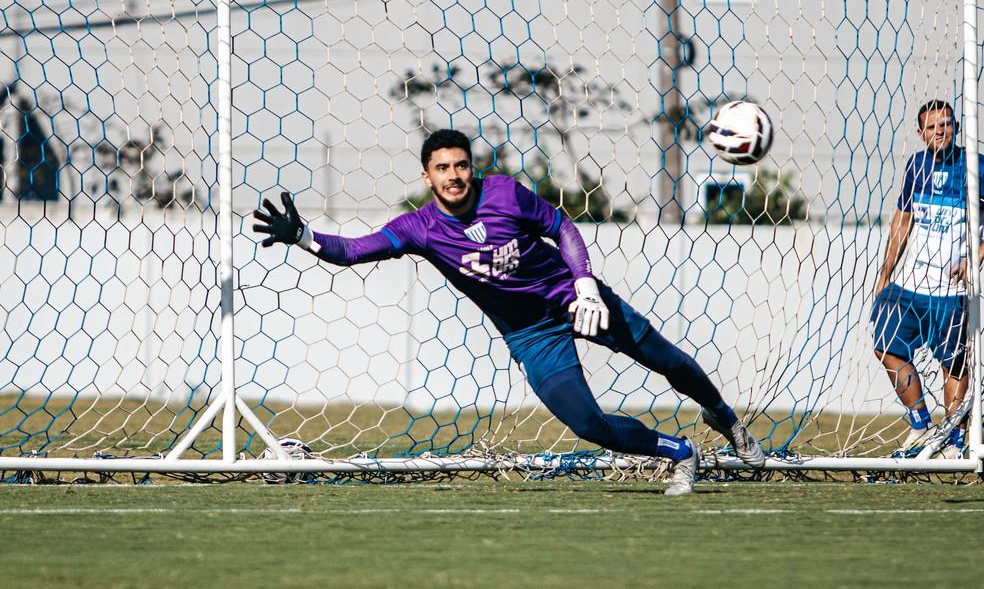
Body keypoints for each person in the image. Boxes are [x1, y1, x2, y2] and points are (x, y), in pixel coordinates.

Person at [253, 129, 765, 495]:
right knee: (587, 423)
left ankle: (726, 421)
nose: (454, 175)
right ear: (427, 176)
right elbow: (353, 250)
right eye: (442, 168)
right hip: (532, 336)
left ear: (471, 168)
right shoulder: (419, 228)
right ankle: (680, 453)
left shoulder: (503, 192)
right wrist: (303, 235)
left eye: (460, 165)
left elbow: (562, 227)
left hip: (577, 299)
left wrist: (585, 285)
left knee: (668, 361)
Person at [871, 99, 981, 459]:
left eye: (946, 124)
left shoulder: (976, 166)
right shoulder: (916, 165)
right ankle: (920, 425)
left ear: (957, 127)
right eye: (932, 127)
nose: (940, 131)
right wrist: (886, 272)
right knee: (886, 346)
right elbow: (903, 218)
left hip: (951, 290)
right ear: (921, 133)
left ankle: (954, 443)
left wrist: (975, 257)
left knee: (954, 365)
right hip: (909, 285)